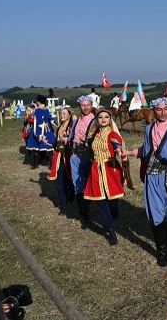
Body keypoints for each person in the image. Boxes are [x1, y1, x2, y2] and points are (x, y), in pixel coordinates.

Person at [123, 97, 167, 266]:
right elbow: (146, 151)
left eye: (165, 109)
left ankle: (164, 232)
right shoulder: (148, 129)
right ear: (153, 111)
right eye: (159, 109)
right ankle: (162, 251)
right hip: (153, 176)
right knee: (156, 217)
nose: (162, 112)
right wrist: (128, 151)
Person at [82, 108, 124, 245]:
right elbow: (87, 147)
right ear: (97, 120)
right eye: (100, 117)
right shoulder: (93, 135)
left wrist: (119, 151)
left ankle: (114, 209)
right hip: (96, 169)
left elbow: (118, 146)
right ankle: (109, 228)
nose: (103, 119)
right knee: (100, 201)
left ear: (110, 119)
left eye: (106, 117)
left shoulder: (112, 135)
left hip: (110, 169)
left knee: (112, 199)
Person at [68, 96, 97, 230]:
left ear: (91, 105)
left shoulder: (96, 121)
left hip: (89, 156)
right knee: (78, 185)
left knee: (89, 185)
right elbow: (71, 137)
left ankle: (93, 210)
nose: (85, 107)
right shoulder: (76, 121)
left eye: (87, 105)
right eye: (82, 105)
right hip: (75, 155)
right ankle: (84, 215)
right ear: (79, 106)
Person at [47, 104, 75, 207]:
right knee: (59, 179)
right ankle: (62, 201)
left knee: (69, 178)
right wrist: (49, 142)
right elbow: (56, 143)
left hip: (69, 156)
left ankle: (71, 195)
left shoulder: (72, 127)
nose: (61, 115)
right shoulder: (60, 127)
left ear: (69, 115)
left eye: (64, 113)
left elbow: (73, 141)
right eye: (60, 113)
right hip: (59, 156)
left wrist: (67, 140)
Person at [25, 95, 56, 168]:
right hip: (44, 130)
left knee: (39, 148)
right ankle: (47, 164)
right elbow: (50, 118)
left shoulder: (38, 111)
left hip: (41, 130)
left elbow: (40, 120)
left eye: (37, 102)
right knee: (42, 148)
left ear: (39, 102)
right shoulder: (45, 110)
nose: (36, 103)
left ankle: (39, 164)